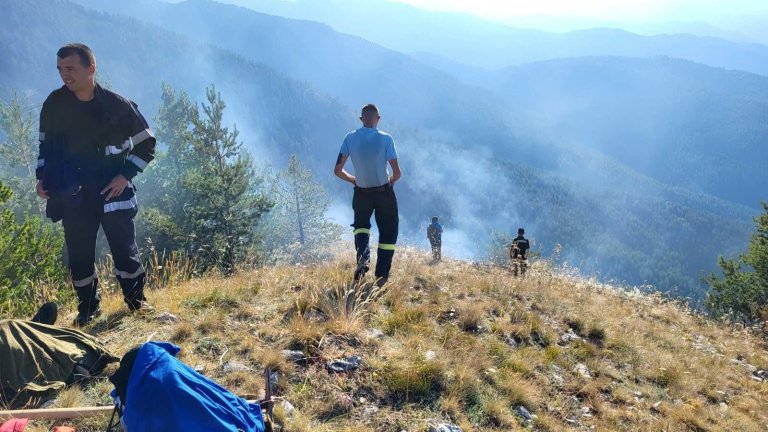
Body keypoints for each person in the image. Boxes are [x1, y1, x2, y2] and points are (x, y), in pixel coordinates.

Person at [35, 43, 156, 326]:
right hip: (73, 196)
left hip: (113, 193)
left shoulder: (118, 106)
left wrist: (124, 175)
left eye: (71, 69)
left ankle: (137, 304)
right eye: (60, 69)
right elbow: (44, 148)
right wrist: (42, 179)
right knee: (79, 256)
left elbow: (147, 144)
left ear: (91, 68)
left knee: (125, 251)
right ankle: (88, 309)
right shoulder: (54, 104)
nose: (64, 75)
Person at [334, 104, 401, 286]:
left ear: (361, 119)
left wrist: (353, 180)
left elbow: (338, 170)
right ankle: (381, 277)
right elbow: (397, 172)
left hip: (361, 193)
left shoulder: (350, 138)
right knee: (388, 231)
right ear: (378, 119)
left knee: (361, 227)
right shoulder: (386, 139)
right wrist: (391, 181)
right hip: (383, 191)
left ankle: (363, 260)